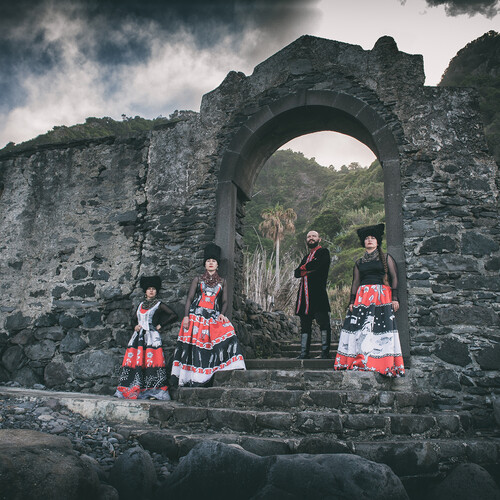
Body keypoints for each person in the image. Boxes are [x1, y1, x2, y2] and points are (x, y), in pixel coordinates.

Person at [334, 223, 405, 377]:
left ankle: (381, 363)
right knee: (361, 330)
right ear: (363, 242)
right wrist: (352, 302)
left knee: (380, 330)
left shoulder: (386, 258)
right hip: (362, 298)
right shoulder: (359, 262)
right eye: (367, 238)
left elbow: (394, 278)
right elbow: (355, 283)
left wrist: (395, 298)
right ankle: (360, 360)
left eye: (373, 238)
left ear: (377, 241)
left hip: (381, 297)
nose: (370, 240)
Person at [171, 243, 246, 386]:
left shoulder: (223, 282)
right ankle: (191, 378)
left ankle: (210, 374)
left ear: (217, 265)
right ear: (205, 264)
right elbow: (189, 299)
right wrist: (186, 316)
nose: (211, 263)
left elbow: (224, 301)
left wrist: (222, 314)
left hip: (212, 316)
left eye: (213, 261)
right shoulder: (198, 279)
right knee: (194, 348)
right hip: (195, 316)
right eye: (208, 261)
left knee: (228, 332)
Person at [114, 276, 177, 400]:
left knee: (152, 362)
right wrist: (135, 326)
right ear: (145, 291)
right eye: (149, 289)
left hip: (151, 338)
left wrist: (160, 325)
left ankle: (153, 390)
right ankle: (133, 387)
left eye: (153, 289)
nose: (151, 291)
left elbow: (173, 315)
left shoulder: (159, 305)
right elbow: (132, 319)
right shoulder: (140, 305)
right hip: (138, 338)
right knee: (136, 362)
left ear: (156, 291)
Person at [294, 230, 332, 359]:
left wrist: (304, 269)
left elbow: (320, 266)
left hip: (318, 294)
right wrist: (307, 269)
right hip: (304, 296)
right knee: (305, 324)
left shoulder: (323, 252)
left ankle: (325, 353)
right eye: (309, 236)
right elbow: (296, 273)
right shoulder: (305, 257)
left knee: (323, 323)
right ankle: (304, 353)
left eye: (314, 236)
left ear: (319, 239)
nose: (311, 238)